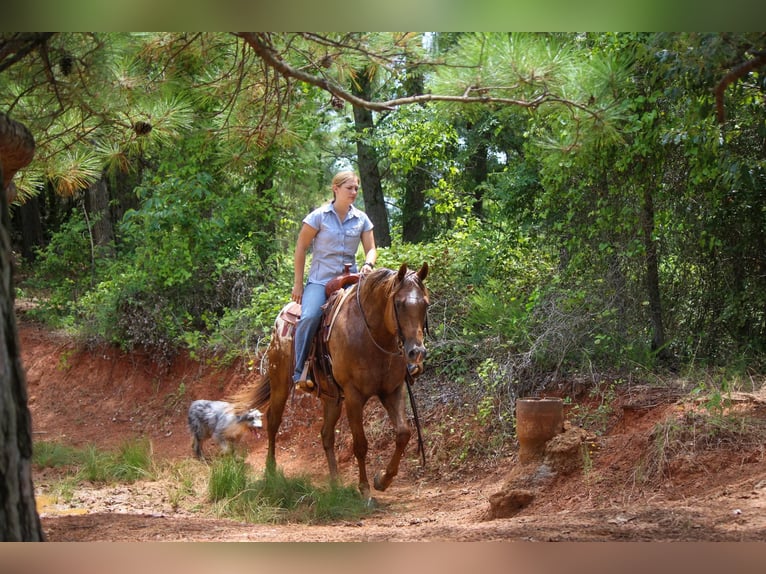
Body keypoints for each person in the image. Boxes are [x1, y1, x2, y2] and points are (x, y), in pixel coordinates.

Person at [291, 170, 377, 392]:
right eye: (349, 188)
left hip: (351, 280)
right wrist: (298, 284)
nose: (354, 192)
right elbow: (300, 247)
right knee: (310, 316)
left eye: (356, 188)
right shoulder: (318, 217)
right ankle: (300, 371)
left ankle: (394, 365)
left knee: (381, 311)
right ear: (335, 188)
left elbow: (371, 249)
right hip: (321, 281)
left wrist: (368, 264)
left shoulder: (362, 219)